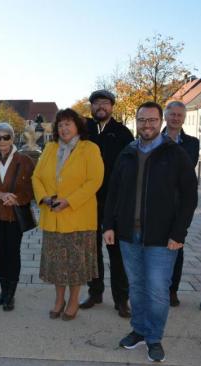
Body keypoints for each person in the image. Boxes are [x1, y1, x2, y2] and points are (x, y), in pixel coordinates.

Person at [103, 102, 197, 362]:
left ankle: (154, 337)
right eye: (142, 120)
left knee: (157, 290)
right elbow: (113, 192)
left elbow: (189, 197)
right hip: (127, 236)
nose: (147, 125)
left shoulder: (175, 154)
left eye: (152, 120)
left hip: (161, 237)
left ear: (161, 121)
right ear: (136, 121)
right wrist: (108, 225)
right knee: (136, 287)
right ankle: (139, 330)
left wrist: (179, 234)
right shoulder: (127, 153)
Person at [32, 108, 104, 321]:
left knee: (75, 265)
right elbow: (36, 176)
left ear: (77, 126)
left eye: (68, 124)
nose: (64, 128)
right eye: (60, 125)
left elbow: (94, 181)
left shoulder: (89, 149)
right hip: (52, 217)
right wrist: (44, 197)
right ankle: (58, 299)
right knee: (56, 265)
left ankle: (73, 301)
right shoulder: (49, 148)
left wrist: (69, 201)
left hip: (78, 218)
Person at [79, 89, 134, 318]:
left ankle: (121, 299)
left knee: (116, 253)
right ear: (91, 107)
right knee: (91, 252)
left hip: (115, 202)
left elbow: (130, 168)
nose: (101, 107)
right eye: (96, 103)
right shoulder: (84, 130)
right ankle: (95, 292)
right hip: (88, 201)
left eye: (105, 103)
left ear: (112, 106)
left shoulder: (122, 133)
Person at [0, 122, 35, 312]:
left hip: (14, 216)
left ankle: (11, 294)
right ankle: (4, 291)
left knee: (12, 253)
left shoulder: (25, 161)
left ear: (12, 138)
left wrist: (17, 198)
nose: (2, 141)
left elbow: (32, 189)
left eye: (6, 137)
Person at [162, 100, 201, 307]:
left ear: (184, 118)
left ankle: (172, 290)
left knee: (176, 245)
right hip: (156, 201)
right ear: (165, 117)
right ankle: (156, 288)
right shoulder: (153, 138)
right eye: (172, 114)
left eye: (179, 115)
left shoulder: (192, 142)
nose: (176, 118)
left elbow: (187, 165)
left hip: (180, 204)